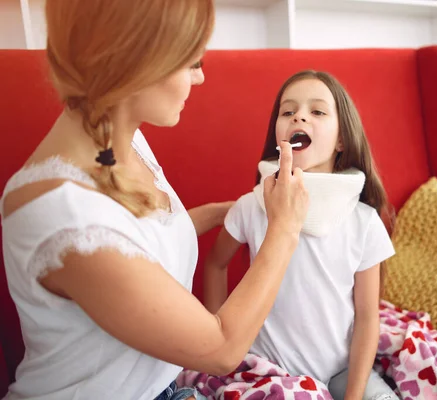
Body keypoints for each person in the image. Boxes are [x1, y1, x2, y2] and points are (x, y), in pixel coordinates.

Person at [0, 1, 308, 399]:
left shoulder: (121, 143)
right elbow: (221, 349)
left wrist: (222, 213)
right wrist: (285, 229)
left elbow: (137, 242)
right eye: (192, 62)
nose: (200, 78)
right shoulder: (65, 215)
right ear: (137, 62)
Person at [203, 70, 398, 400]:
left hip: (342, 371)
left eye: (317, 111)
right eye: (288, 111)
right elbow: (214, 264)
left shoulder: (363, 221)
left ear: (341, 140)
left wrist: (352, 396)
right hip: (269, 373)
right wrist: (217, 340)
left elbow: (367, 318)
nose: (300, 116)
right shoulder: (253, 206)